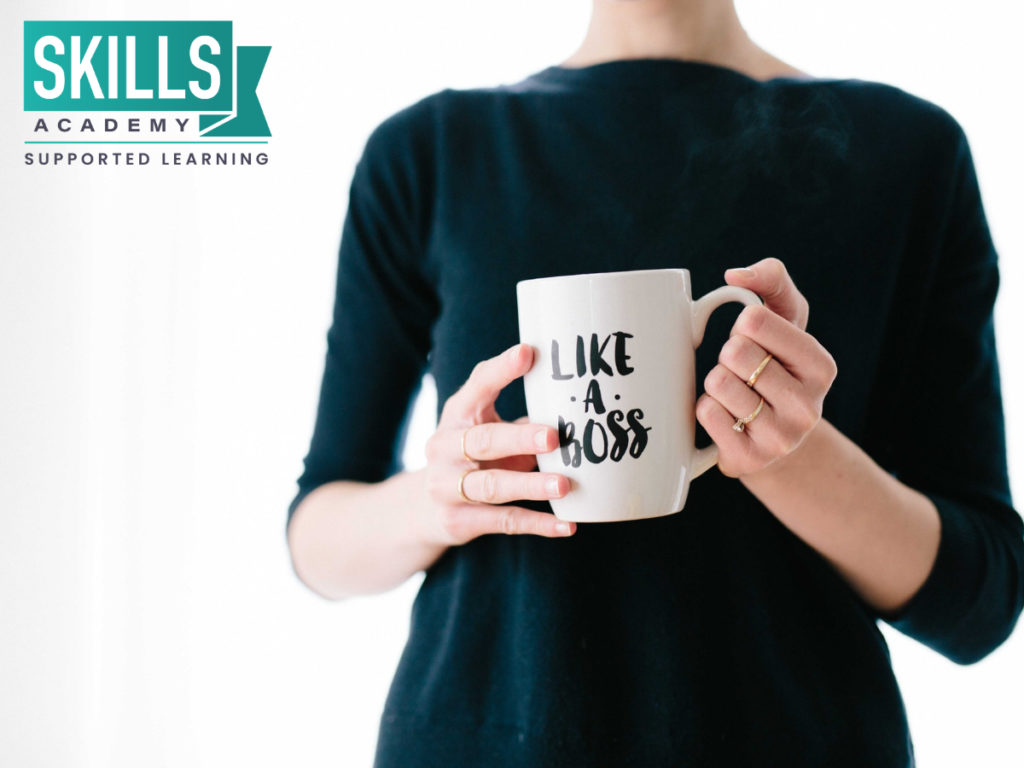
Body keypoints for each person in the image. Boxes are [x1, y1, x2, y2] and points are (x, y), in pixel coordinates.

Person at [286, 0, 1024, 764]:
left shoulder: (907, 154)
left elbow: (981, 601)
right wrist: (439, 497)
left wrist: (789, 455)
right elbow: (317, 537)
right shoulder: (429, 154)